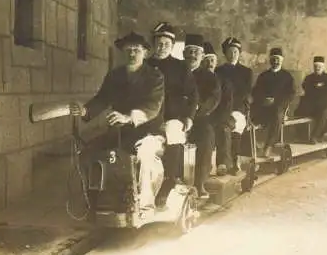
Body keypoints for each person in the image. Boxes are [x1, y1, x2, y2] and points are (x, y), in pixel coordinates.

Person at [69, 32, 165, 209]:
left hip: (149, 132)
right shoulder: (115, 76)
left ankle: (145, 205)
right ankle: (95, 203)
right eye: (128, 50)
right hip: (121, 133)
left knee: (145, 156)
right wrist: (85, 110)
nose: (132, 54)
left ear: (144, 52)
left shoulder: (155, 77)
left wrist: (128, 117)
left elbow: (153, 106)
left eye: (136, 50)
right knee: (88, 154)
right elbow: (102, 99)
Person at [147, 22, 199, 207]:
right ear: (153, 44)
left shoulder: (180, 67)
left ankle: (169, 179)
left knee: (173, 131)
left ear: (172, 46)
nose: (162, 47)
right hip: (148, 117)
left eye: (166, 44)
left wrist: (189, 117)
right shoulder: (145, 65)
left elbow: (193, 95)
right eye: (159, 44)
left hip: (172, 116)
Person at [185, 36, 221, 199]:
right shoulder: (177, 71)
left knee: (207, 137)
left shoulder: (209, 76)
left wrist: (197, 111)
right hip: (177, 117)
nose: (193, 55)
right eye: (190, 51)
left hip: (200, 119)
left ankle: (200, 183)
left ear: (201, 56)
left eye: (197, 52)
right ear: (184, 53)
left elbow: (214, 98)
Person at [214, 37, 253, 175]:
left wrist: (233, 109)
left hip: (237, 108)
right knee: (222, 127)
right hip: (221, 108)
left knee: (234, 126)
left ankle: (234, 161)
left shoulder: (246, 72)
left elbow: (245, 94)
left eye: (235, 51)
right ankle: (223, 163)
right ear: (225, 53)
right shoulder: (218, 71)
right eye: (229, 52)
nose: (232, 55)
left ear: (239, 53)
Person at [251, 47, 296, 157]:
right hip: (264, 106)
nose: (276, 61)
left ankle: (269, 146)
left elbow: (291, 94)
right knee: (250, 114)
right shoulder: (263, 76)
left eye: (278, 59)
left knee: (276, 115)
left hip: (279, 107)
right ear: (270, 60)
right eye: (273, 59)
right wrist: (263, 100)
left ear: (282, 60)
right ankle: (252, 145)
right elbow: (256, 91)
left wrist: (276, 101)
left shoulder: (287, 77)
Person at [295, 56, 327, 144]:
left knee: (323, 112)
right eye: (316, 66)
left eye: (319, 66)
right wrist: (318, 88)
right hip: (310, 104)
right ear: (313, 67)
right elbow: (306, 89)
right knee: (297, 112)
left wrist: (315, 88)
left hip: (323, 104)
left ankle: (314, 136)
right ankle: (301, 135)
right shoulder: (308, 78)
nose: (317, 68)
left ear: (323, 67)